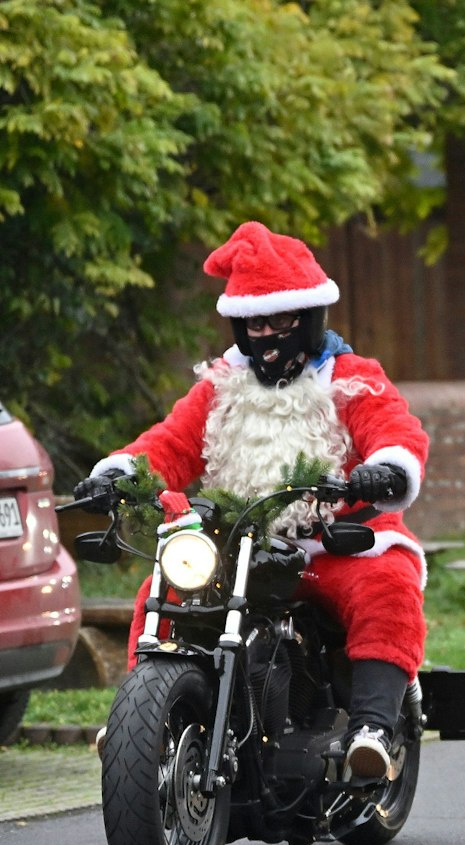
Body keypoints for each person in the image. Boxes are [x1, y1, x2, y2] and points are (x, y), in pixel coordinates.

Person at [72, 222, 429, 781]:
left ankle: (373, 729)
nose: (266, 334)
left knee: (388, 585)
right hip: (237, 545)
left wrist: (384, 468)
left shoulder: (352, 377)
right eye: (254, 323)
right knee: (161, 589)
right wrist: (121, 474)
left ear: (308, 318)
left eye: (280, 321)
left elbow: (393, 428)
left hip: (335, 544)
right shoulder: (220, 385)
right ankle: (144, 722)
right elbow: (170, 443)